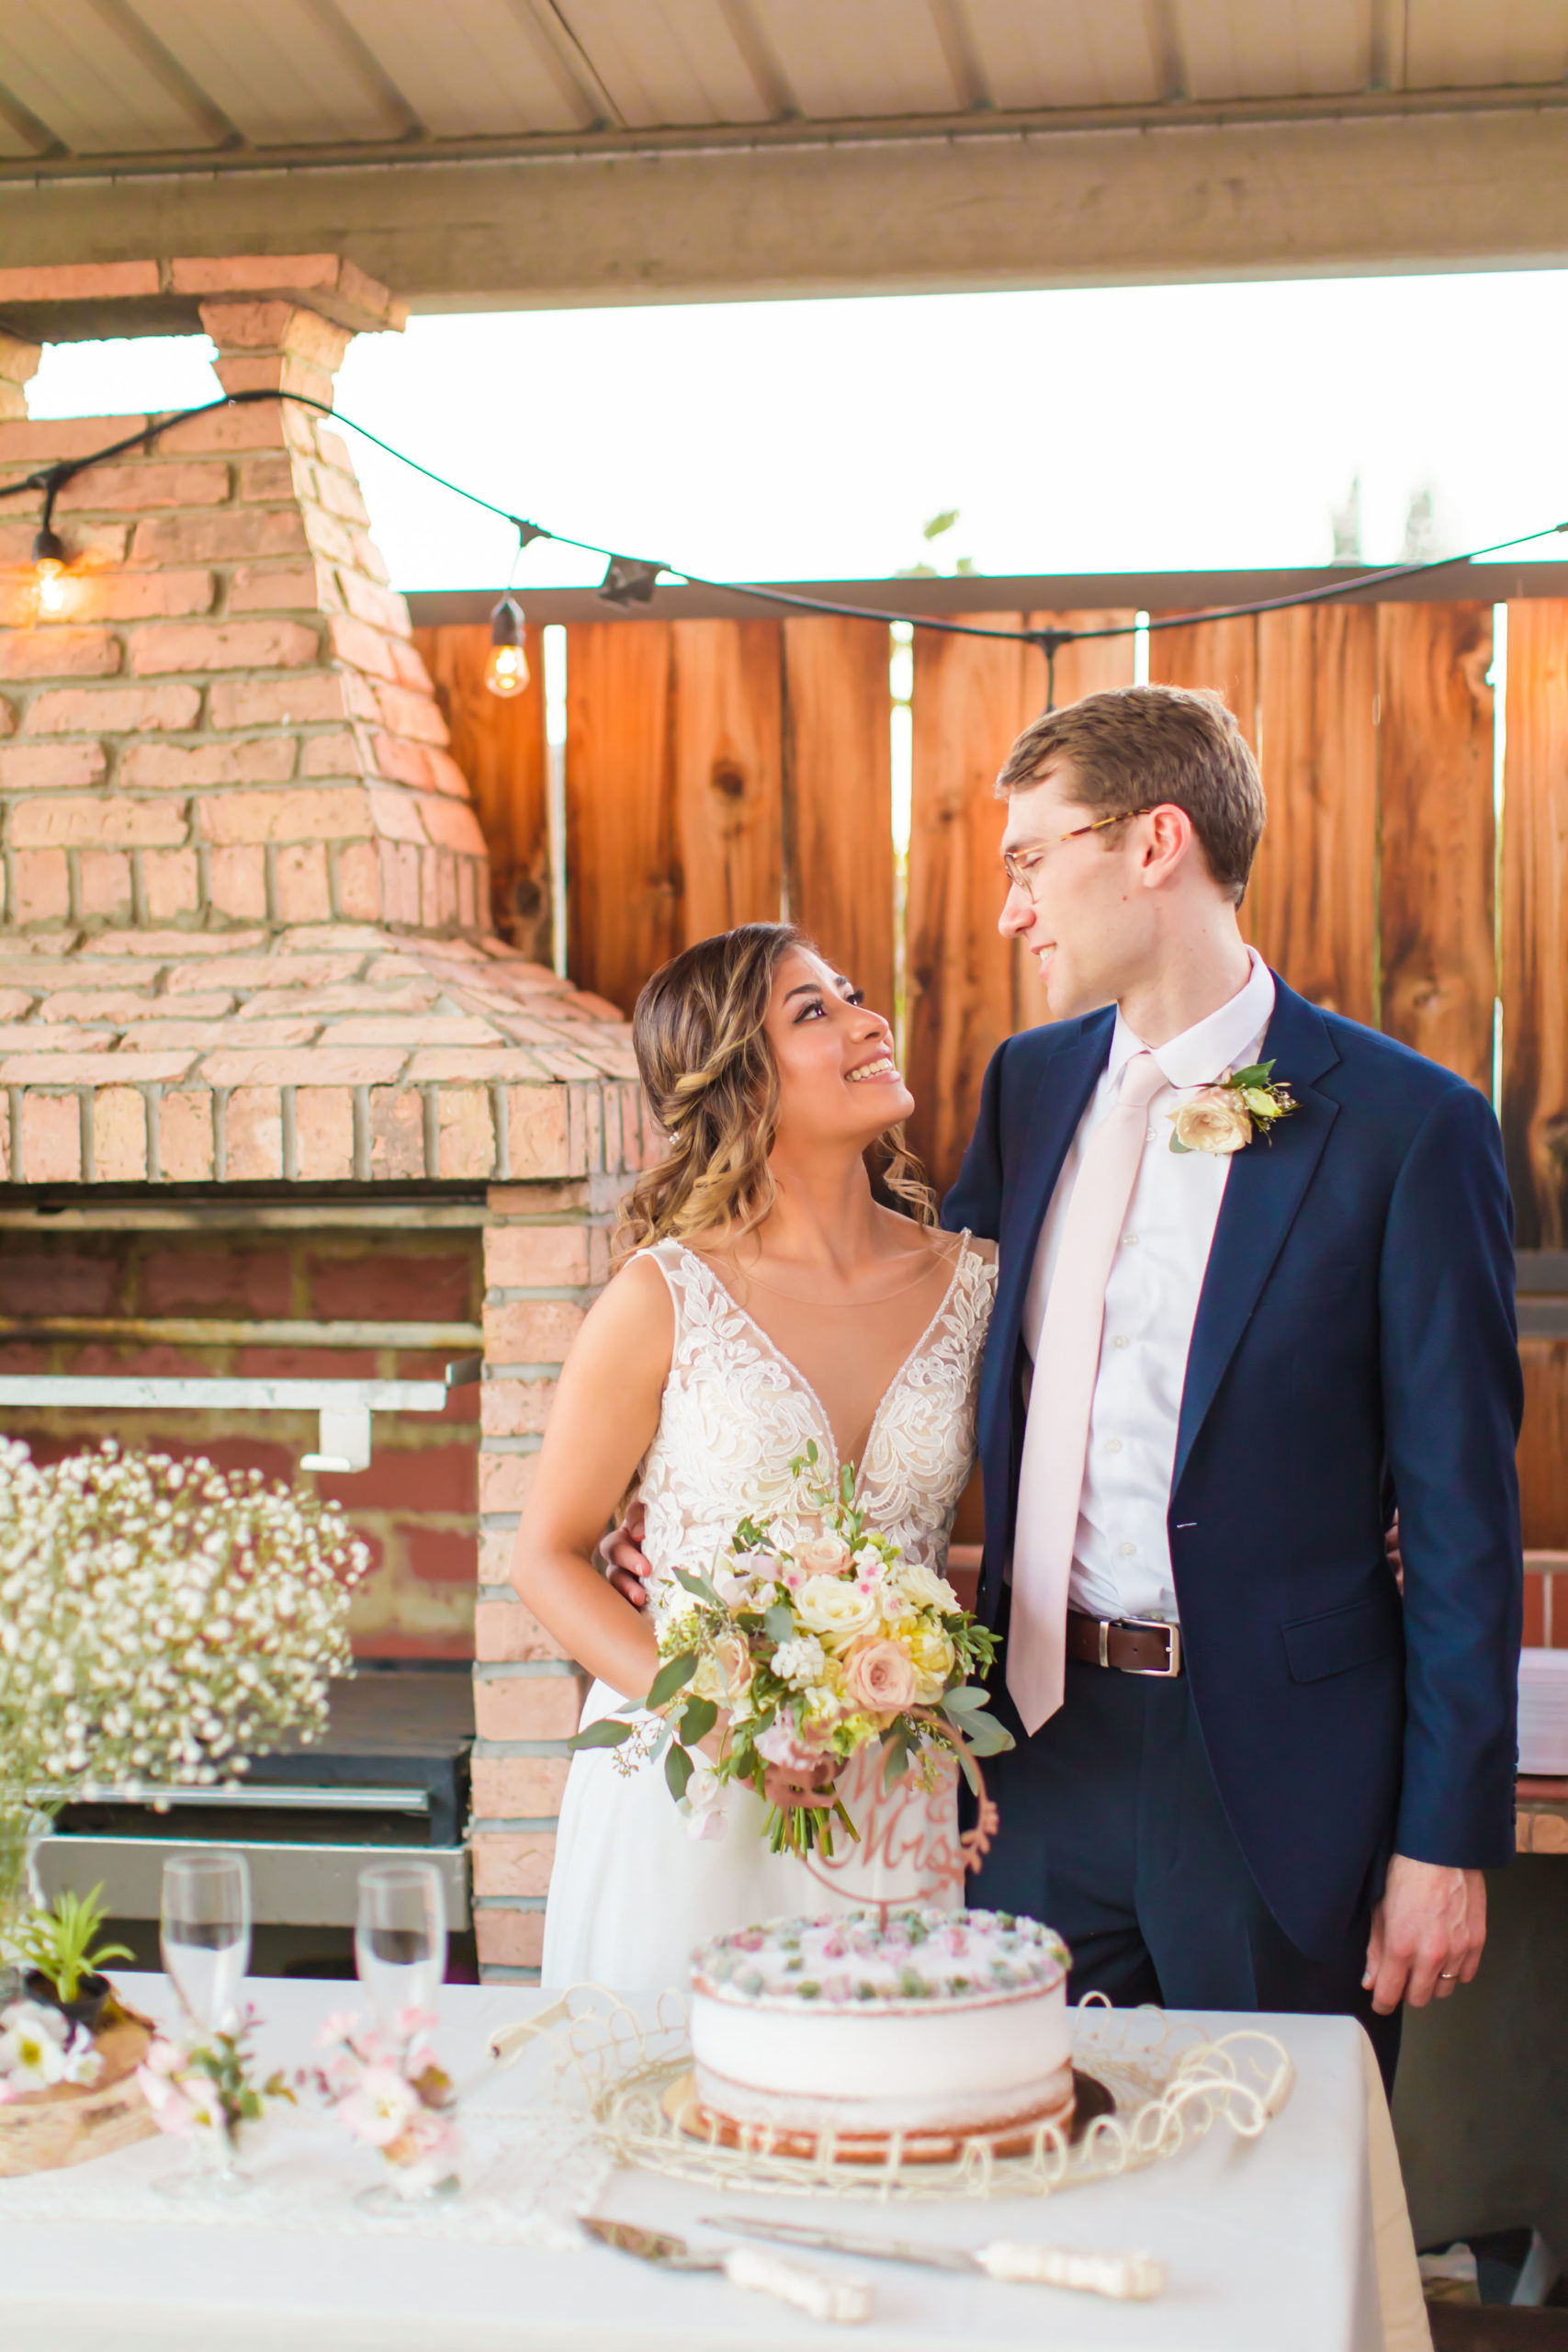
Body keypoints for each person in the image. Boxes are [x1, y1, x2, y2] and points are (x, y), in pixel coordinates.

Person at [942, 683, 1522, 2087]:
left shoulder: (1406, 1128)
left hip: (1274, 1774)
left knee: (1267, 2193)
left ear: (1153, 843)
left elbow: (1459, 1522)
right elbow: (921, 1355)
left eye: (1029, 860)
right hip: (1029, 1759)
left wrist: (1442, 1836)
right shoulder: (1022, 1090)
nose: (1010, 908)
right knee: (1028, 2167)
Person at [513, 923, 996, 1990]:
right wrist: (724, 1723)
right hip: (689, 1797)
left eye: (856, 993)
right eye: (813, 1011)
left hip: (888, 1793)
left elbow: (999, 1557)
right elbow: (544, 1556)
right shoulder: (661, 1297)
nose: (869, 1020)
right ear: (739, 1079)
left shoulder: (978, 1287)